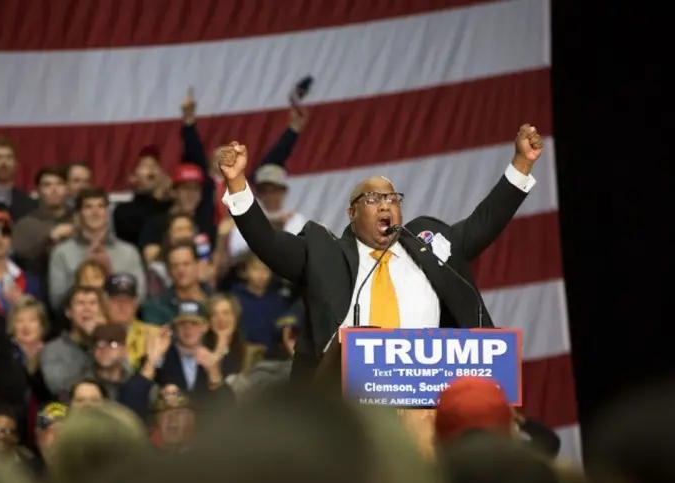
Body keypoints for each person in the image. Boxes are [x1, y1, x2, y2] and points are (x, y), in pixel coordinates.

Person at [215, 125, 545, 384]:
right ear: (351, 213)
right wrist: (238, 184)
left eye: (392, 198)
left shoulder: (430, 249)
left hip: (426, 400)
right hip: (346, 410)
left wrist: (521, 164)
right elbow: (268, 243)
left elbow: (483, 223)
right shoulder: (323, 254)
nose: (385, 204)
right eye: (372, 199)